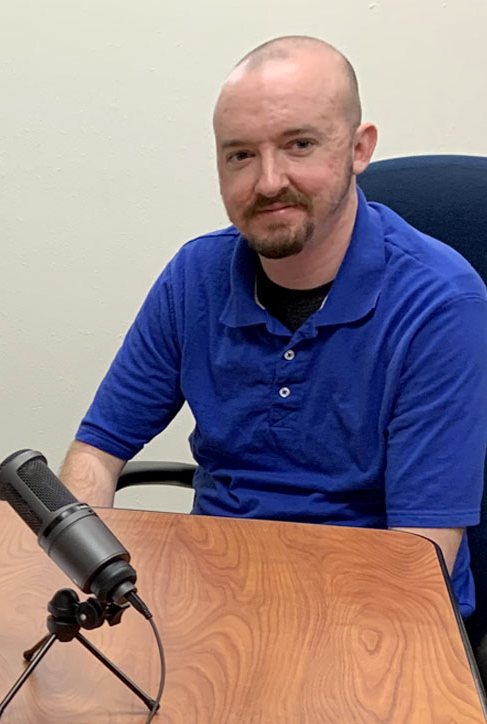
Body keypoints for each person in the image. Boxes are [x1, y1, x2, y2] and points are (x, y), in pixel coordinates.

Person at [61, 36, 487, 616]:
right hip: (216, 596)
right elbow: (96, 452)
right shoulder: (195, 276)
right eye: (240, 155)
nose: (267, 182)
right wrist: (92, 570)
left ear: (359, 149)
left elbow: (419, 559)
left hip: (375, 609)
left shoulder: (440, 304)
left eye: (300, 145)